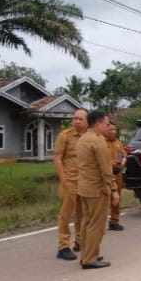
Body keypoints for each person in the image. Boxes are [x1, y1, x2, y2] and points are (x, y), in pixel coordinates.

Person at [76, 111, 120, 269]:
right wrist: (114, 189)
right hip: (96, 189)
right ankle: (90, 259)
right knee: (96, 224)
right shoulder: (98, 140)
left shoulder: (83, 138)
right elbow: (106, 169)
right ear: (99, 123)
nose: (108, 127)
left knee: (86, 222)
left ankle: (86, 255)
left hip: (84, 187)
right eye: (107, 124)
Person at [53, 108, 88, 261]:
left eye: (80, 119)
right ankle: (63, 246)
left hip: (85, 181)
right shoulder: (65, 136)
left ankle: (80, 242)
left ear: (87, 121)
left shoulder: (90, 136)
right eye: (75, 118)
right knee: (66, 214)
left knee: (83, 213)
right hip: (70, 181)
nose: (76, 121)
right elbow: (58, 158)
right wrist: (63, 179)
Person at [106, 121, 126, 231]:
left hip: (117, 174)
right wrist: (110, 163)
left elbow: (124, 155)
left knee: (116, 198)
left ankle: (114, 221)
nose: (112, 131)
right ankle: (98, 223)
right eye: (110, 129)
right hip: (106, 174)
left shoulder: (118, 142)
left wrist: (122, 162)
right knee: (104, 199)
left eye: (114, 129)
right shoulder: (102, 142)